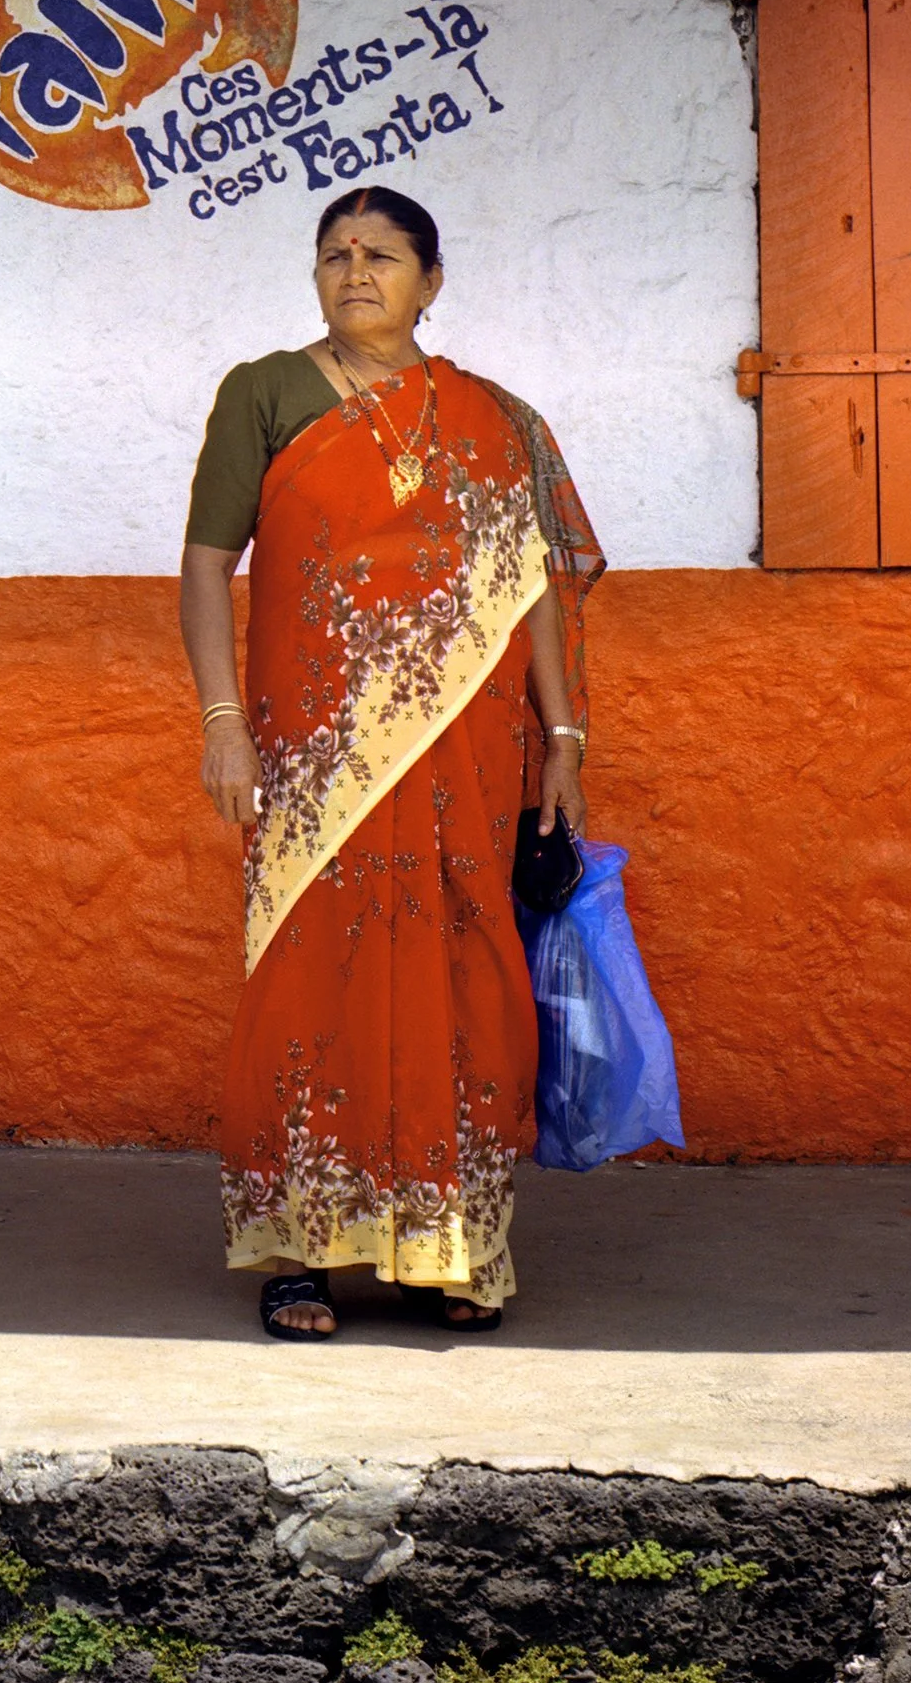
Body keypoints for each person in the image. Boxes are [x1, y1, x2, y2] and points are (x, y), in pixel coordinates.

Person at [178, 187, 602, 1339]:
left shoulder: (490, 416)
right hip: (315, 759)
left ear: (432, 278)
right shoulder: (263, 392)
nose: (355, 271)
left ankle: (453, 1245)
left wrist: (562, 740)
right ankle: (299, 1247)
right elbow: (208, 564)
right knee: (310, 977)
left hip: (466, 750)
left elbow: (533, 598)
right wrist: (223, 719)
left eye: (381, 254)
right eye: (333, 255)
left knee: (465, 968)